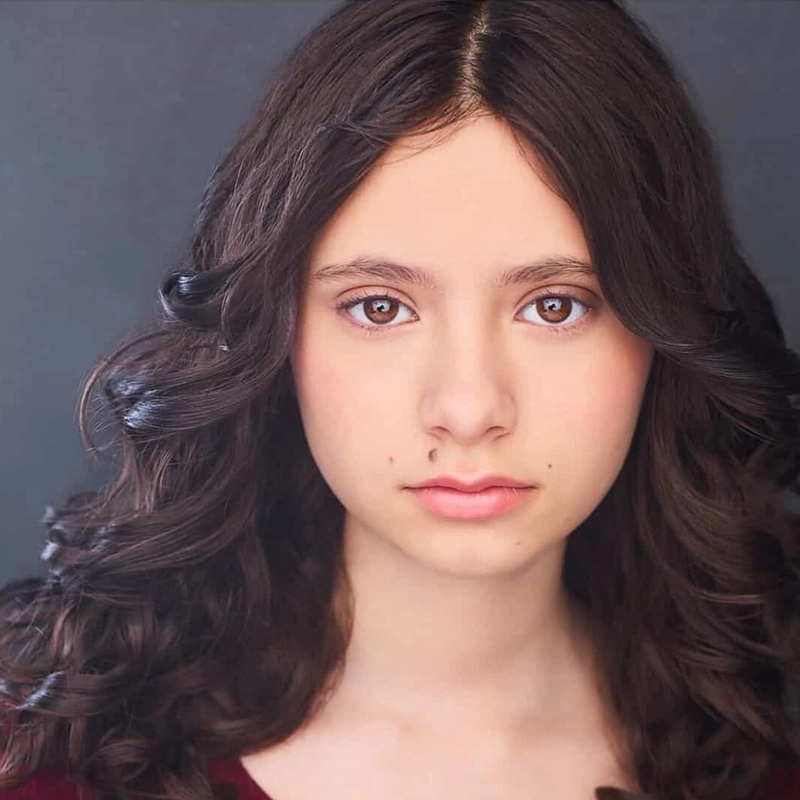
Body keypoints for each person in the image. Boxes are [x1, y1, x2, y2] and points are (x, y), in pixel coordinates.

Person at [1, 0, 799, 798]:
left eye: (556, 305)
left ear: (664, 328)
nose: (468, 406)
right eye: (379, 307)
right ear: (276, 332)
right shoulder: (48, 765)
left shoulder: (774, 755)